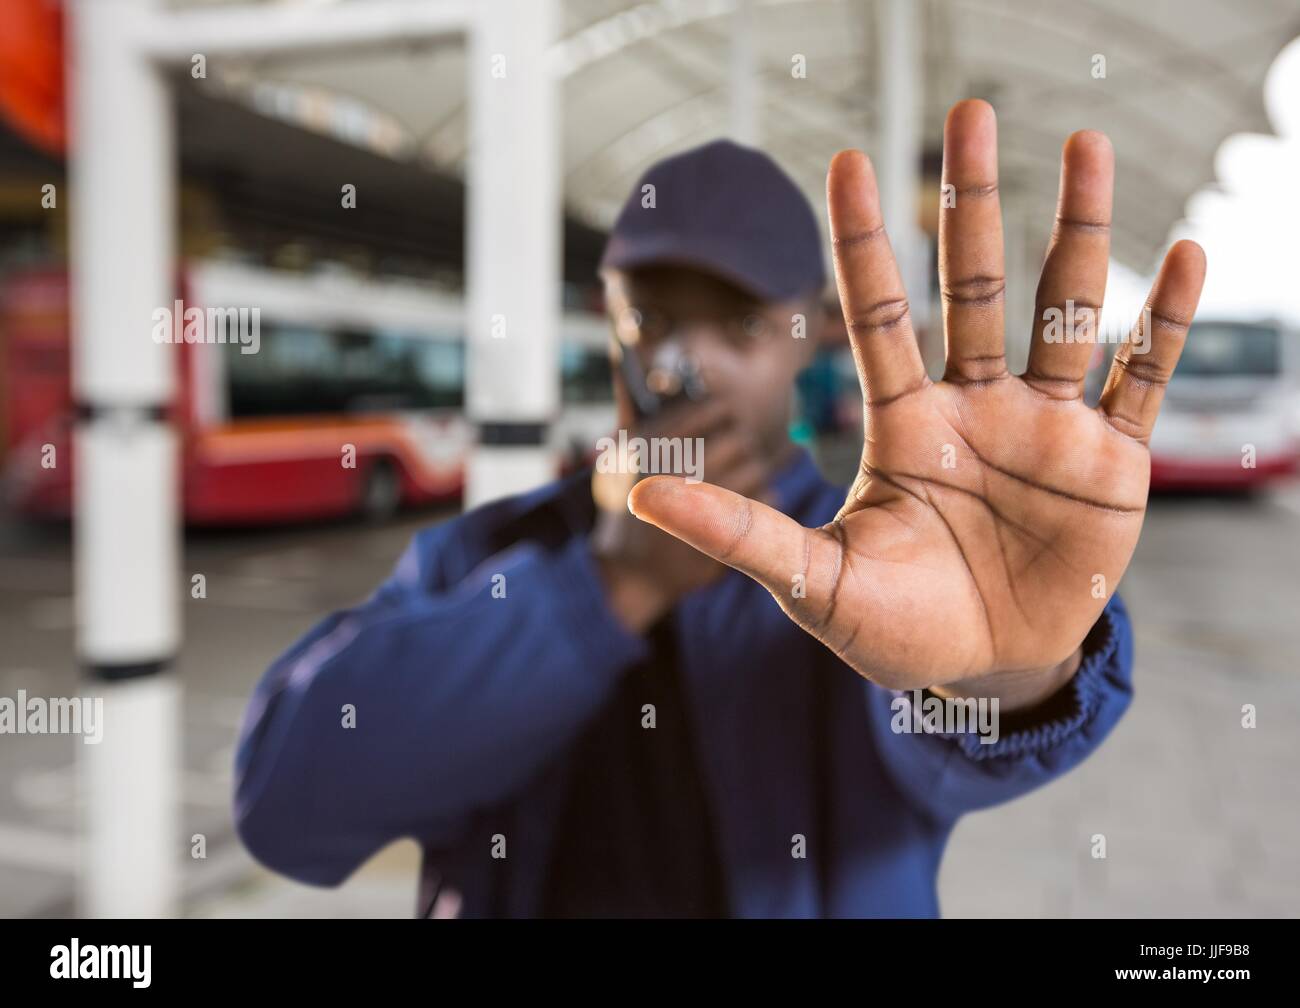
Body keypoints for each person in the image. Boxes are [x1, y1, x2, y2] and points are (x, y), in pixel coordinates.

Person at [232, 100, 1206, 918]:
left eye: (738, 323)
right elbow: (289, 805)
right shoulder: (485, 553)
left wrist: (1006, 667)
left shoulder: (869, 560)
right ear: (604, 318)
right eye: (648, 318)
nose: (683, 363)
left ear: (811, 333)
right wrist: (608, 584)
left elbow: (944, 758)